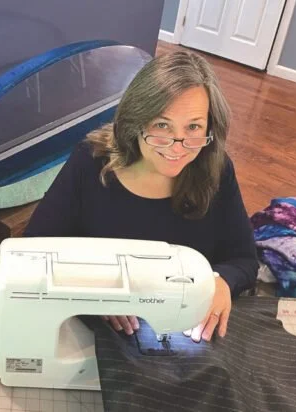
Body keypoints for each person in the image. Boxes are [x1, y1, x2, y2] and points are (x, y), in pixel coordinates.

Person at [22, 50, 259, 343]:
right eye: (162, 125)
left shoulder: (217, 169)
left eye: (194, 127)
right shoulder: (90, 162)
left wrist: (220, 281)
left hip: (182, 328)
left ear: (210, 126)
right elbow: (33, 248)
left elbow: (244, 259)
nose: (177, 146)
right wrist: (95, 293)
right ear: (137, 121)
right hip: (101, 332)